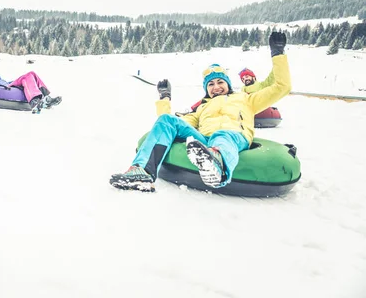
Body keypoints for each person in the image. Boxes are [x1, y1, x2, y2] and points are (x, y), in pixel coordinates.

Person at [110, 31, 291, 193]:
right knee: (167, 121)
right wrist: (165, 97)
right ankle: (142, 172)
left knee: (222, 135)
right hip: (205, 142)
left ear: (228, 84)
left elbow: (282, 87)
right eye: (210, 84)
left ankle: (217, 167)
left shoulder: (246, 99)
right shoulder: (202, 108)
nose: (216, 87)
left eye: (220, 82)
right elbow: (167, 126)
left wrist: (278, 54)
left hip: (234, 137)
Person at [0, 46, 62, 113]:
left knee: (32, 74)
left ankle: (45, 98)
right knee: (27, 76)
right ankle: (35, 102)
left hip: (6, 84)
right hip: (0, 86)